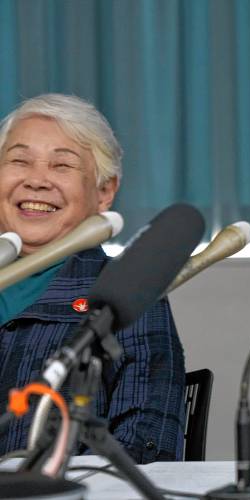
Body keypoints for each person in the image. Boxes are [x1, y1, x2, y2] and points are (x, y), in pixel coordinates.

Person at [0, 94, 185, 463]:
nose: (37, 181)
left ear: (104, 192)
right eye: (19, 160)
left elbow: (145, 445)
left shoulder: (128, 293)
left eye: (61, 165)